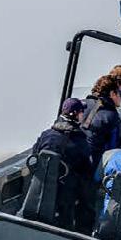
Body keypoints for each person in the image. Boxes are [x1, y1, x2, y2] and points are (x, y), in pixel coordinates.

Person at [27, 97, 93, 230]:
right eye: (81, 112)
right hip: (64, 198)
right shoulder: (80, 142)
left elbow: (35, 156)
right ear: (75, 114)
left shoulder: (46, 135)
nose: (83, 115)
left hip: (37, 189)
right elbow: (86, 172)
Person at [82, 74, 121, 159]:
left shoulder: (80, 104)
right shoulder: (112, 116)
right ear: (112, 94)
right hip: (92, 164)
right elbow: (114, 150)